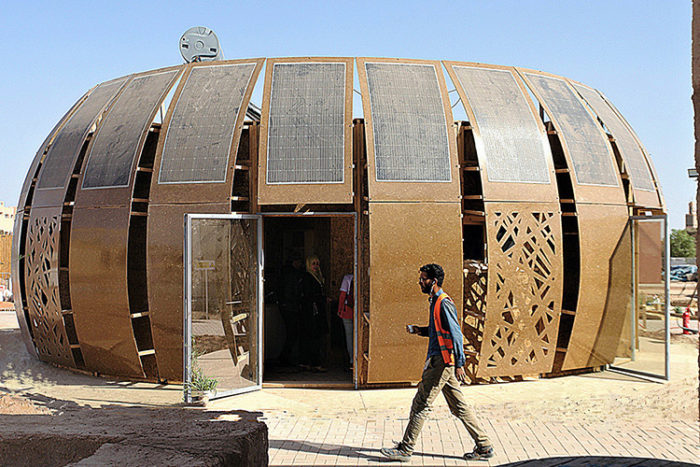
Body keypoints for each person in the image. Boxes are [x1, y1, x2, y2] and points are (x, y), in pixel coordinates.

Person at [380, 263, 494, 462]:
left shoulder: (443, 302)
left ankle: (406, 449)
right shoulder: (434, 301)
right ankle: (484, 445)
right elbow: (437, 331)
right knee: (459, 407)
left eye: (423, 279)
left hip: (441, 362)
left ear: (433, 281)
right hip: (443, 362)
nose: (420, 282)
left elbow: (456, 334)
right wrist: (419, 330)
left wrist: (460, 363)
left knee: (421, 404)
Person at [299, 255, 329, 372]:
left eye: (317, 263)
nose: (316, 266)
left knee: (315, 337)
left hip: (316, 311)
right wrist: (322, 299)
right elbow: (309, 295)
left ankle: (309, 362)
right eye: (313, 264)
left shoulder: (317, 277)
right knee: (313, 337)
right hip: (311, 313)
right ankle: (313, 363)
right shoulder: (307, 278)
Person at [278, 254, 305, 367]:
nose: (300, 264)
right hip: (290, 307)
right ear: (294, 262)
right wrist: (298, 301)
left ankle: (286, 357)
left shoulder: (286, 273)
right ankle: (285, 357)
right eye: (298, 262)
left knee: (291, 333)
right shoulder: (292, 275)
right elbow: (290, 292)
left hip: (287, 306)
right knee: (292, 333)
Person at [337, 273, 354, 370]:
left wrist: (339, 310)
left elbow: (342, 296)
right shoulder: (363, 276)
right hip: (359, 312)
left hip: (347, 311)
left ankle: (352, 360)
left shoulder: (347, 278)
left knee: (349, 336)